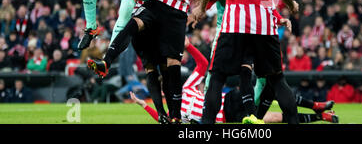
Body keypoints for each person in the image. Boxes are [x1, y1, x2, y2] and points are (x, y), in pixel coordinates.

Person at [129, 39, 338, 124]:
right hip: (229, 110)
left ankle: (317, 110)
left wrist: (190, 46)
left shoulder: (180, 98)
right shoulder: (174, 105)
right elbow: (160, 119)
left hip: (228, 105)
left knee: (273, 107)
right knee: (274, 111)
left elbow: (202, 65)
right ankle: (319, 114)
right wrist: (142, 104)